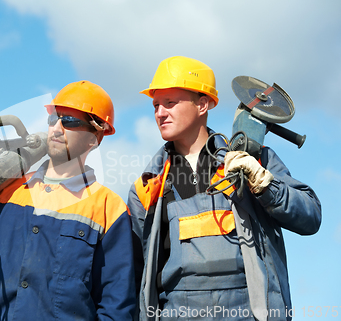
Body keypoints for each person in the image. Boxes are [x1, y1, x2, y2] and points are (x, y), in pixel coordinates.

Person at [128, 56, 322, 321]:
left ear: (203, 104)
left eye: (170, 103)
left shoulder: (251, 160)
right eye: (156, 105)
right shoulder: (149, 186)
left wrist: (267, 186)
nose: (160, 113)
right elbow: (136, 272)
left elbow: (310, 216)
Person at [0, 81, 136, 320]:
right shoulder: (5, 191)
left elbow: (117, 307)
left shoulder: (109, 209)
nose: (56, 128)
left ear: (95, 136)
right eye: (53, 119)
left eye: (69, 121)